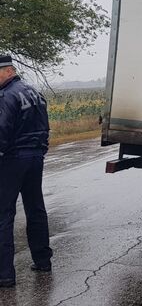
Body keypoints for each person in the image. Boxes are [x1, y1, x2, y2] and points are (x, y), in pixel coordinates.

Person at [0, 55, 52, 288]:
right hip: (35, 157)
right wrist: (40, 150)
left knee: (3, 215)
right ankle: (42, 260)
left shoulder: (5, 96)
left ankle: (5, 275)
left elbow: (1, 132)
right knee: (35, 208)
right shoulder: (34, 92)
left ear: (6, 71)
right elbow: (45, 127)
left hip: (13, 159)